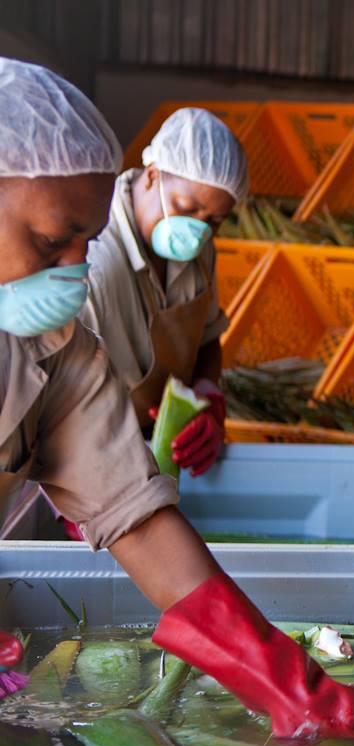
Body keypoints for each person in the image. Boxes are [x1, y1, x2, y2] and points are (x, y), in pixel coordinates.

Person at [0, 58, 354, 740]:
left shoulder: (56, 347)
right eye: (50, 240)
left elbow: (135, 515)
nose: (74, 269)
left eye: (87, 241)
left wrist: (285, 679)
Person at [79, 107, 244, 478]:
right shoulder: (95, 262)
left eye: (214, 221)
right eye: (188, 208)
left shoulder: (199, 249)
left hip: (160, 449)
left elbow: (206, 338)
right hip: (93, 457)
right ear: (153, 175)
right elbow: (58, 402)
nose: (199, 230)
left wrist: (207, 395)